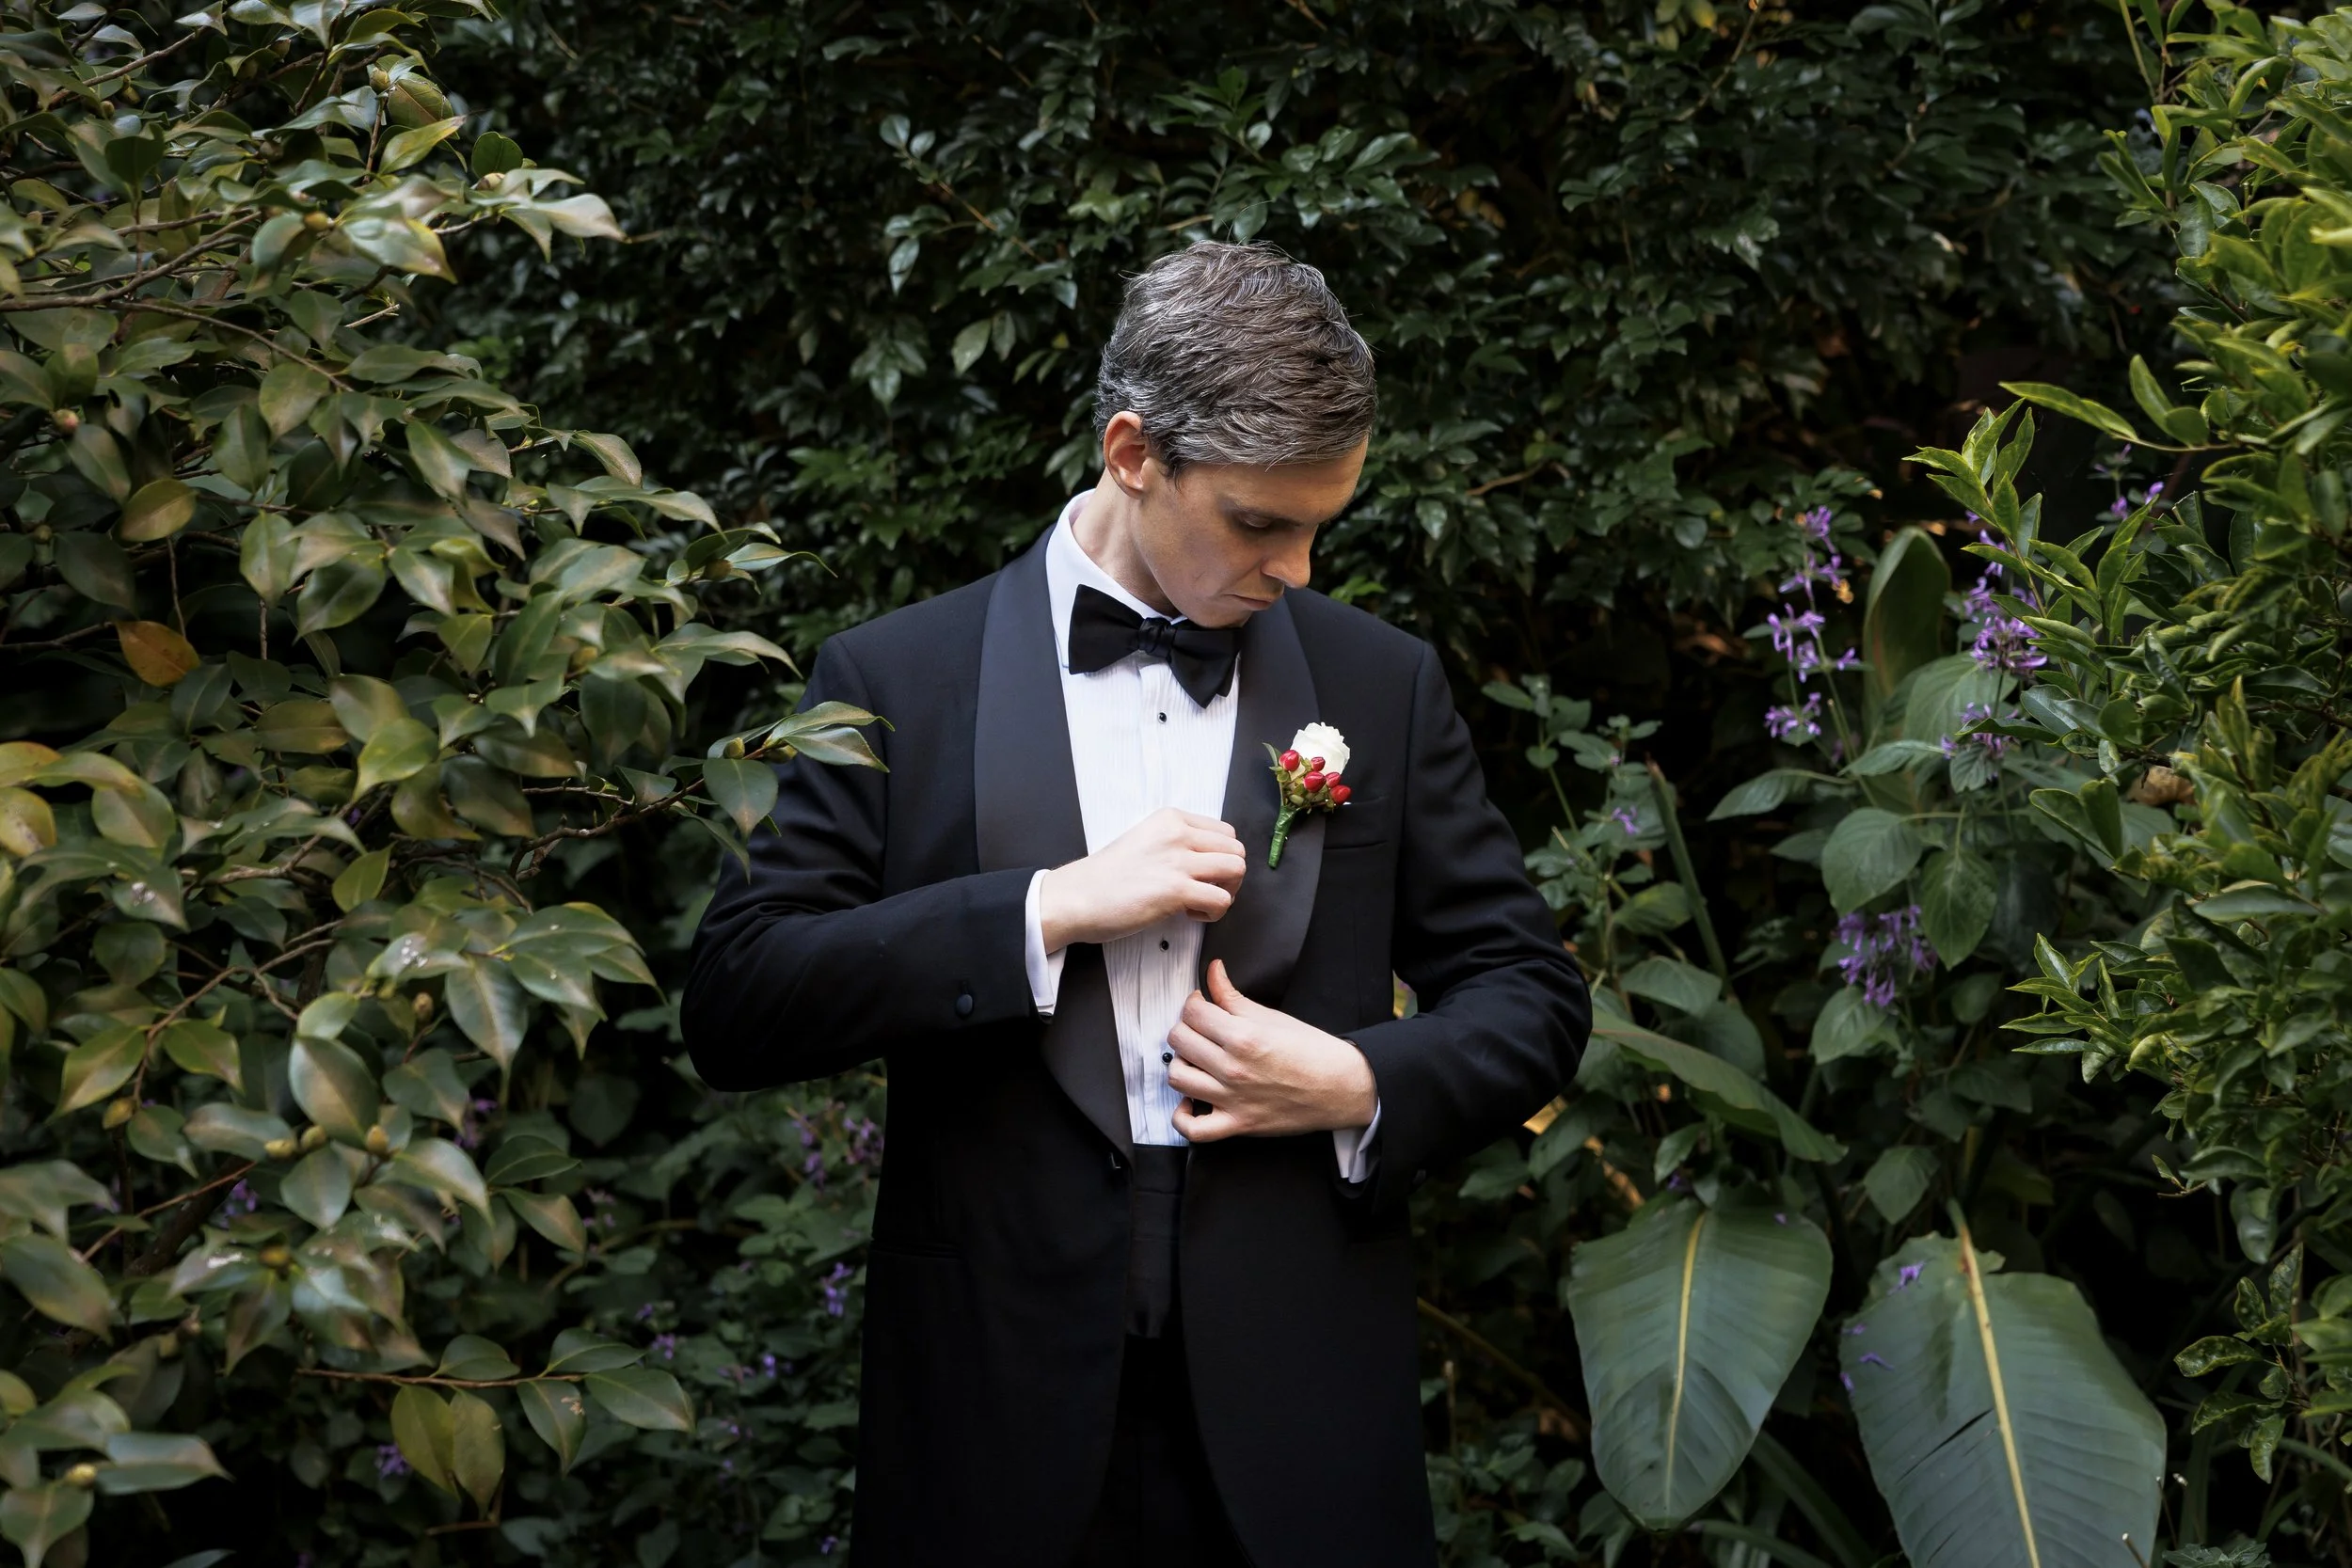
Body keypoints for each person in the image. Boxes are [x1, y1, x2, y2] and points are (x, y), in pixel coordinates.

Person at [684, 241, 1590, 1568]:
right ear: (1131, 450)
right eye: (1259, 524)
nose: (1297, 569)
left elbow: (1533, 997)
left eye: (1321, 525)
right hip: (991, 1420)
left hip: (1302, 1426)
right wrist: (1039, 911)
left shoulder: (1379, 683)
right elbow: (738, 998)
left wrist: (1352, 1079)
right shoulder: (895, 676)